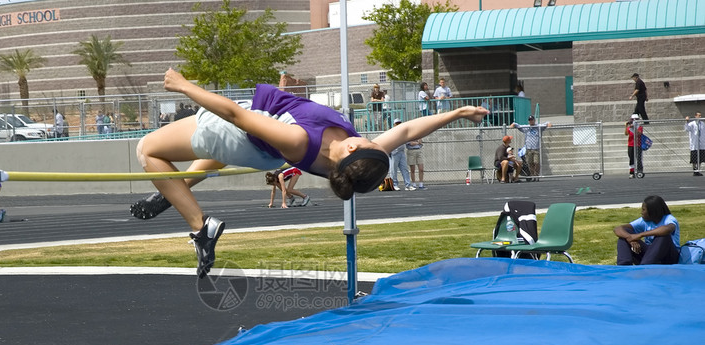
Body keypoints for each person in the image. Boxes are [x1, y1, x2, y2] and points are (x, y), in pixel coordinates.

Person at [132, 68, 489, 277]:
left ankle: (200, 227)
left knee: (147, 150)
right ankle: (172, 192)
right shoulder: (352, 155)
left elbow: (236, 117)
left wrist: (184, 86)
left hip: (241, 134)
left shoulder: (301, 140)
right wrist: (456, 114)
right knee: (213, 159)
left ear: (353, 148)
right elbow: (409, 131)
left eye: (369, 141)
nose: (373, 139)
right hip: (262, 149)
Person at [614, 195, 680, 265]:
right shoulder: (644, 221)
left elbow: (667, 229)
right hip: (649, 256)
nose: (641, 212)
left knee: (663, 236)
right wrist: (630, 238)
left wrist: (640, 235)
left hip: (668, 257)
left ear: (652, 211)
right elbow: (618, 229)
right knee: (624, 234)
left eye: (643, 209)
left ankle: (645, 267)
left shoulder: (669, 219)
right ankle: (624, 266)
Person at [510, 115, 552, 180]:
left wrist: (549, 124)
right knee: (530, 163)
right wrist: (513, 124)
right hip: (528, 149)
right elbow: (518, 125)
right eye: (530, 120)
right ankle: (532, 175)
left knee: (536, 162)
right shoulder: (526, 128)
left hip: (536, 148)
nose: (531, 121)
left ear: (534, 120)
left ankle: (536, 175)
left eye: (532, 120)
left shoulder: (538, 127)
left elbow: (546, 123)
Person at [387, 119, 413, 191]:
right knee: (393, 170)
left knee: (405, 169)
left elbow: (407, 141)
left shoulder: (403, 132)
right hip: (394, 153)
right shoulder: (391, 132)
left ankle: (408, 185)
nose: (398, 125)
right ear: (394, 125)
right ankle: (394, 184)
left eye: (399, 123)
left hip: (401, 152)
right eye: (397, 123)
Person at [684, 112, 705, 176]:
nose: (700, 116)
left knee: (700, 158)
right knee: (694, 158)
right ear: (695, 116)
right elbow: (687, 129)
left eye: (700, 115)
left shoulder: (702, 124)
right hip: (694, 144)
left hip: (701, 143)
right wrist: (687, 121)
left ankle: (698, 170)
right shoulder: (692, 124)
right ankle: (695, 169)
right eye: (699, 115)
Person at [626, 114, 644, 178]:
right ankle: (632, 172)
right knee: (631, 159)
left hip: (638, 144)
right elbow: (626, 133)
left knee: (639, 158)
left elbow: (639, 133)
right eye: (633, 119)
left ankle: (639, 171)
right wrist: (627, 126)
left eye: (636, 119)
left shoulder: (640, 127)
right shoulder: (630, 127)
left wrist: (634, 128)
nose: (634, 121)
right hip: (630, 145)